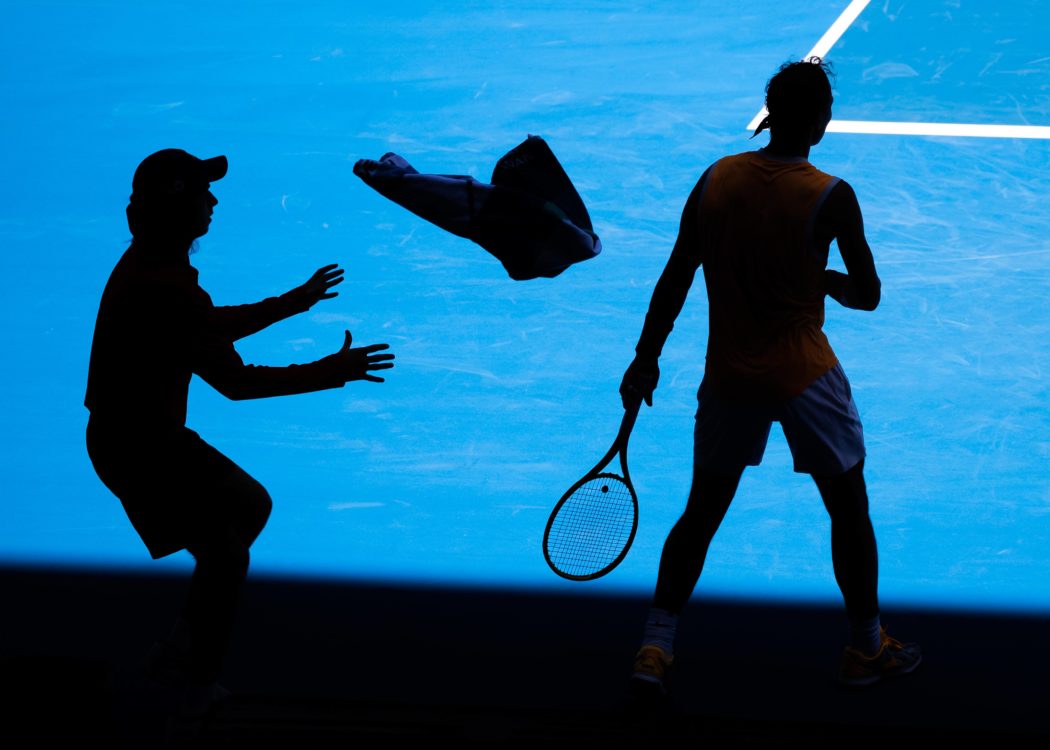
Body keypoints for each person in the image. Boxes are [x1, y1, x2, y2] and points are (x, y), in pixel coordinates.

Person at [619, 58, 920, 693]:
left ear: (768, 114)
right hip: (804, 375)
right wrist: (824, 279)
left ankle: (654, 646)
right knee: (849, 510)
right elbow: (867, 295)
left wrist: (645, 358)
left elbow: (675, 276)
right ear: (820, 120)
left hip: (728, 377)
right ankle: (867, 649)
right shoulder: (831, 196)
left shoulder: (715, 179)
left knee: (700, 512)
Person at [84, 148, 395, 725]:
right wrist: (331, 370)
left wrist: (292, 304)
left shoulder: (157, 268)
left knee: (246, 508)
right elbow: (235, 383)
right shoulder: (163, 286)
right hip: (139, 448)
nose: (213, 200)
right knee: (226, 550)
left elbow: (206, 324)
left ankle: (179, 649)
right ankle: (194, 687)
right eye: (202, 191)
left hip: (144, 437)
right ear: (178, 204)